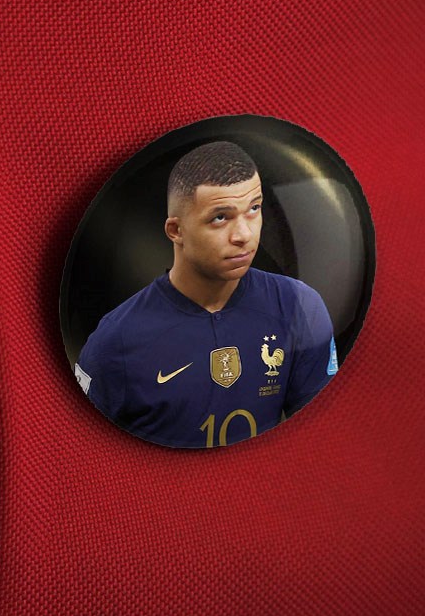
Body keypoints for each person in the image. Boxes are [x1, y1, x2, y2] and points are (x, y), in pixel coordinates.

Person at [74, 140, 337, 448]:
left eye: (254, 209)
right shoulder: (116, 341)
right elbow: (80, 455)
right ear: (176, 231)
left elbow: (321, 441)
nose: (244, 235)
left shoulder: (298, 306)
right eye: (220, 217)